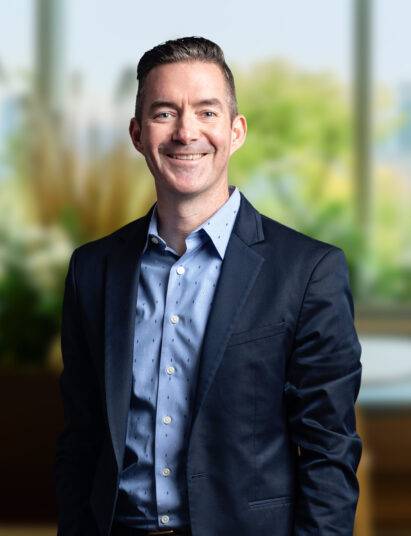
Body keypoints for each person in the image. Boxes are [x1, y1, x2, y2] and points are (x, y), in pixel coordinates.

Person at [54, 36, 362, 536]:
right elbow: (80, 442)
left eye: (206, 112)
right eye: (163, 113)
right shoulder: (92, 270)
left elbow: (329, 454)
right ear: (137, 133)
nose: (185, 132)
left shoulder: (308, 272)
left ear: (236, 131)